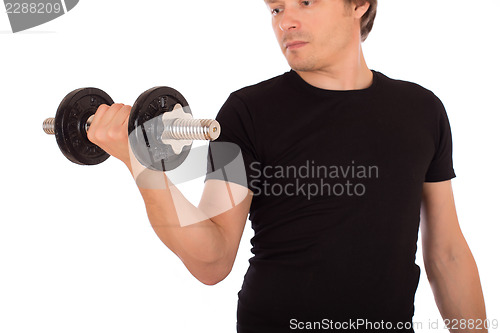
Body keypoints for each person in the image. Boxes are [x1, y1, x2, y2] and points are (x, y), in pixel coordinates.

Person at [87, 0, 488, 332]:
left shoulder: (422, 111)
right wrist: (144, 167)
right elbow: (212, 259)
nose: (286, 22)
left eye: (306, 3)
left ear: (359, 5)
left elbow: (447, 254)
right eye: (276, 9)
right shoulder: (247, 113)